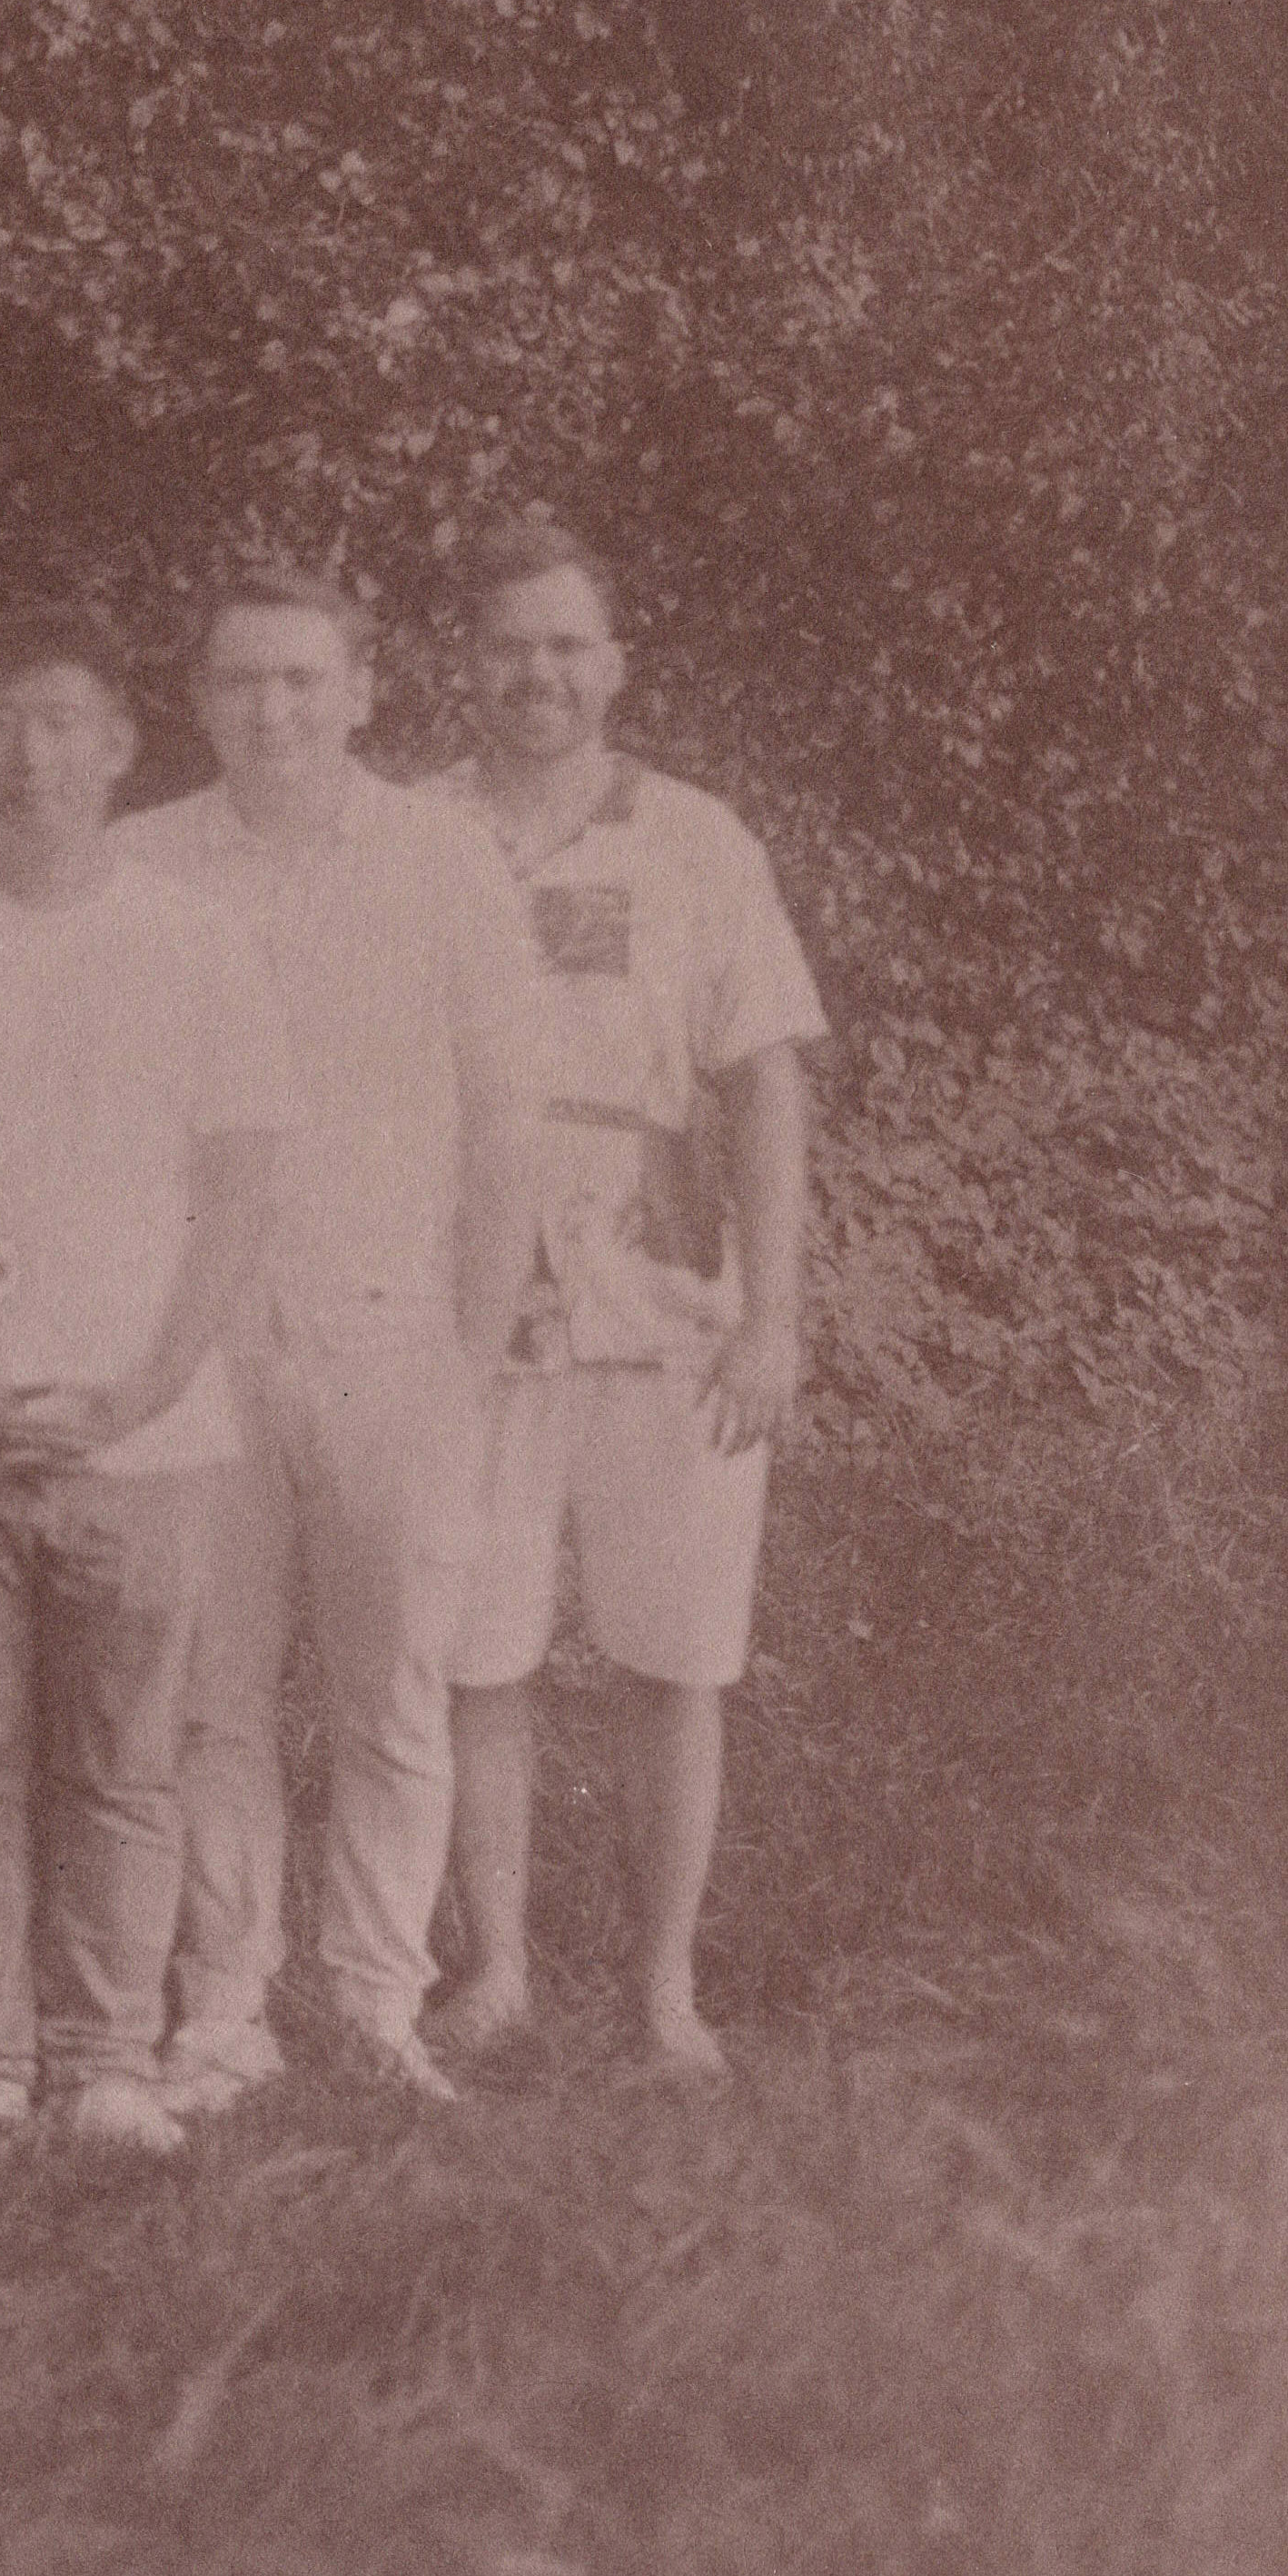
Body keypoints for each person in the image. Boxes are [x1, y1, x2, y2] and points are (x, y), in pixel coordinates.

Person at [0, 612, 292, 2157]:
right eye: (2, 726)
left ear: (115, 749)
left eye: (62, 726)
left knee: (124, 1763)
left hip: (145, 1435)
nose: (30, 758)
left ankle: (105, 2060)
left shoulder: (193, 937)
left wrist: (146, 1385)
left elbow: (236, 1188)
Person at [114, 566, 538, 2111]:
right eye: (240, 682)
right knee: (207, 1696)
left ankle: (372, 2002)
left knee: (393, 1693)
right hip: (192, 1350)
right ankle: (220, 2009)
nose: (272, 710)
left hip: (389, 1335)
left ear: (362, 692)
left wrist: (469, 1364)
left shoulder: (443, 859)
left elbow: (504, 1128)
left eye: (303, 679)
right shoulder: (138, 865)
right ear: (197, 700)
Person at [431, 523, 825, 2082]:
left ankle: (665, 1993)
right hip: (470, 1303)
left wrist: (773, 1315)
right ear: (461, 664)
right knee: (477, 1650)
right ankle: (497, 1972)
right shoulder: (410, 833)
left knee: (677, 1654)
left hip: (666, 1293)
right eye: (507, 645)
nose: (537, 674)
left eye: (565, 645)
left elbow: (767, 1084)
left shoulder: (696, 838)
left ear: (615, 665)